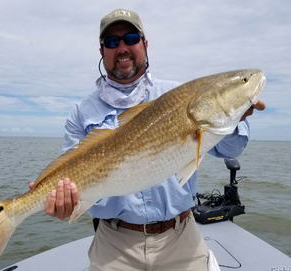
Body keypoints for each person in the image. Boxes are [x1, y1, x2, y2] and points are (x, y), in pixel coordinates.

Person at [30, 8, 265, 271]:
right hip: (113, 243)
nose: (122, 48)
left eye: (131, 38)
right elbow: (71, 179)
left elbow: (232, 148)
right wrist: (63, 201)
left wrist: (234, 118)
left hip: (181, 236)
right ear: (101, 51)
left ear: (145, 44)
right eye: (111, 42)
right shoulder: (81, 112)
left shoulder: (177, 95)